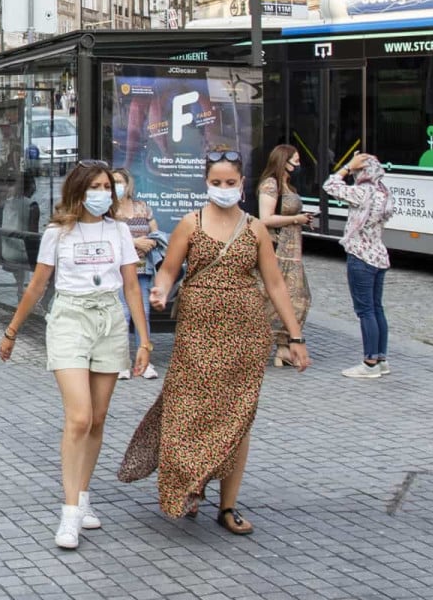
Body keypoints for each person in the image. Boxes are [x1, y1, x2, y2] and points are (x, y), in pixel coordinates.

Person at [117, 152, 311, 535]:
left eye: (231, 183)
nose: (224, 189)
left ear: (242, 184)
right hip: (197, 334)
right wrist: (161, 291)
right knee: (188, 412)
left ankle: (227, 506)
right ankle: (189, 484)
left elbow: (275, 285)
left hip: (245, 335)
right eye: (217, 182)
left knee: (237, 418)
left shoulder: (255, 228)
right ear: (206, 183)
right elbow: (169, 269)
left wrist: (296, 336)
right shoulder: (191, 223)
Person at [0, 161, 151, 550]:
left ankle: (83, 496)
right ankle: (68, 514)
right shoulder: (58, 233)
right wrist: (12, 331)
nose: (102, 193)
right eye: (95, 186)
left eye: (107, 187)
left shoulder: (118, 230)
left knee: (97, 419)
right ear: (78, 190)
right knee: (79, 416)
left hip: (109, 320)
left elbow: (132, 287)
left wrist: (144, 341)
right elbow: (36, 285)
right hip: (69, 319)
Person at [326, 152, 396, 379]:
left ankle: (369, 363)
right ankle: (381, 359)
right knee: (377, 308)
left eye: (357, 171)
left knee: (365, 310)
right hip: (379, 255)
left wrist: (346, 166)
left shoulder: (362, 192)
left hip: (361, 256)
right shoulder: (383, 193)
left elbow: (330, 185)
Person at [255, 146, 314, 368]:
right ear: (283, 161)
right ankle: (266, 343)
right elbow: (265, 218)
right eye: (295, 161)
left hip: (293, 251)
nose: (298, 165)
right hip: (277, 251)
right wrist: (296, 219)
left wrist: (302, 219)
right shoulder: (271, 185)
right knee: (275, 298)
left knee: (299, 298)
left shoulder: (288, 184)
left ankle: (282, 347)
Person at [110, 168, 166, 381]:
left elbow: (155, 231)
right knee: (122, 314)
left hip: (142, 268)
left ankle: (145, 360)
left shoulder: (142, 207)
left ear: (128, 183)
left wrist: (149, 242)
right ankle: (121, 361)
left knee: (142, 314)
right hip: (118, 269)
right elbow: (108, 238)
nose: (117, 186)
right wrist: (134, 242)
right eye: (113, 181)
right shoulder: (108, 210)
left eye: (120, 181)